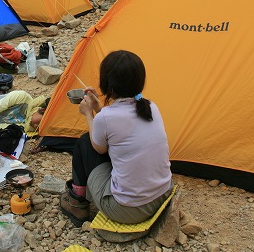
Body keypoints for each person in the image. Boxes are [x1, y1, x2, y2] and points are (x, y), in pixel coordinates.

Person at [60, 50, 173, 228]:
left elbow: (99, 148)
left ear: (107, 85)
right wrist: (98, 106)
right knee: (116, 145)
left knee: (84, 142)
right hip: (162, 195)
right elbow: (115, 129)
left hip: (128, 211)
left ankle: (77, 201)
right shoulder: (151, 106)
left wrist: (88, 114)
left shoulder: (106, 117)